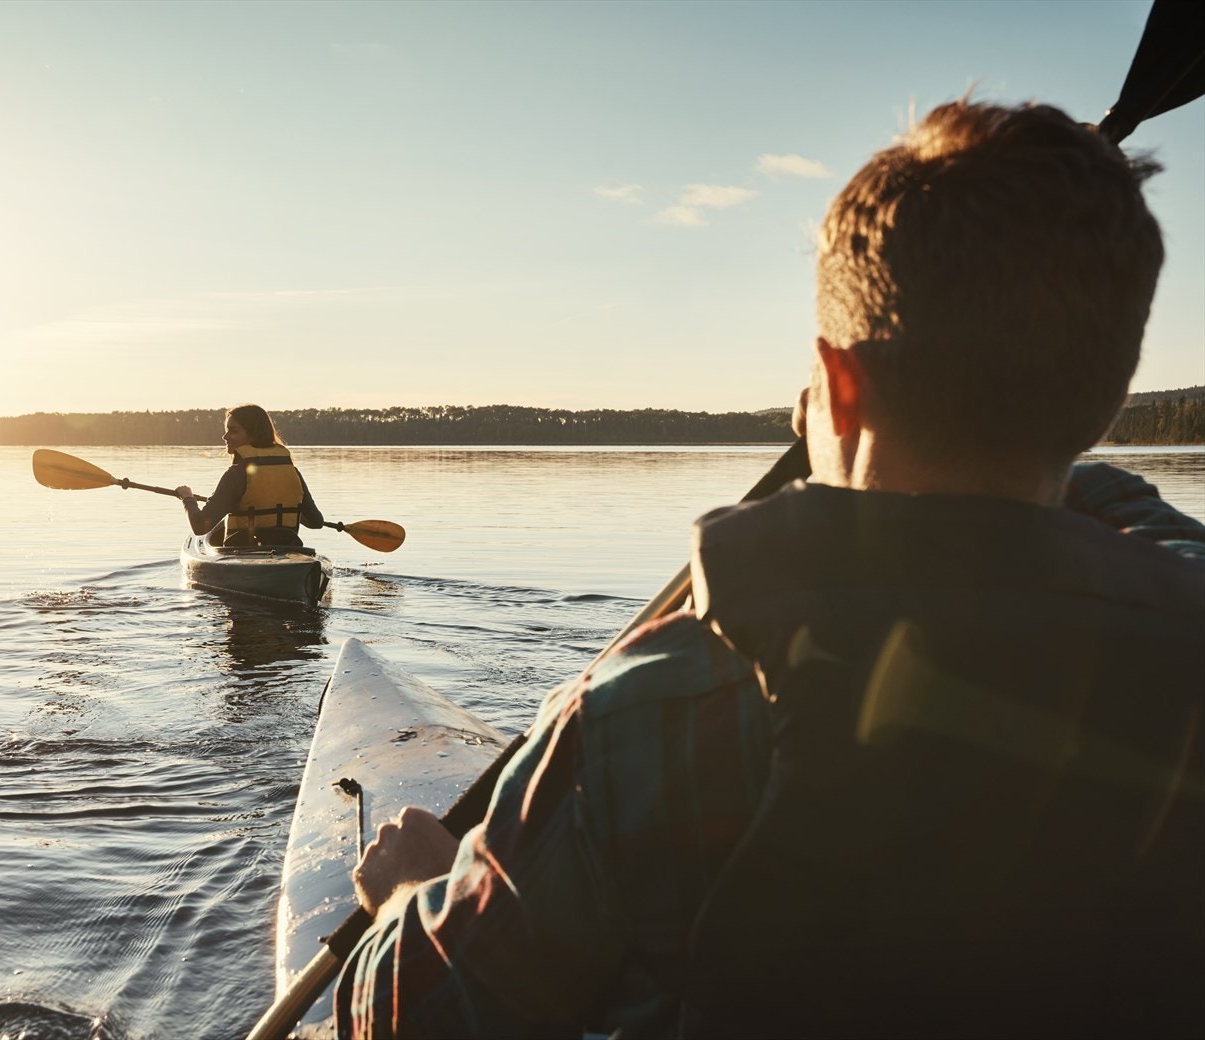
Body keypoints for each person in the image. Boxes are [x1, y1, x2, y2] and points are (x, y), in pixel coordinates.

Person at [334, 99, 1205, 1039]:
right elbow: (1134, 524)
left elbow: (408, 1021)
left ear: (834, 381)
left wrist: (406, 900)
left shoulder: (653, 711)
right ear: (1109, 394)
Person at [175, 404, 324, 548]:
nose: (225, 436)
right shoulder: (293, 472)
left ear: (254, 434)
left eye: (233, 431)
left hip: (242, 554)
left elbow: (200, 526)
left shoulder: (236, 474)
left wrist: (187, 498)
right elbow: (315, 522)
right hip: (286, 550)